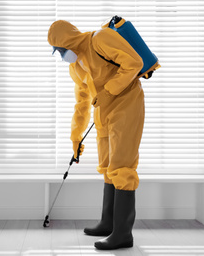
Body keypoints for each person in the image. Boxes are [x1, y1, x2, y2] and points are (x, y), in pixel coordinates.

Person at [47, 19, 145, 250]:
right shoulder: (76, 67)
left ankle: (123, 234)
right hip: (103, 115)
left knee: (122, 168)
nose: (61, 55)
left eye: (60, 49)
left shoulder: (99, 39)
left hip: (126, 107)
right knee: (107, 167)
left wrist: (109, 91)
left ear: (67, 41)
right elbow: (81, 103)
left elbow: (134, 63)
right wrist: (75, 137)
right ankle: (107, 223)